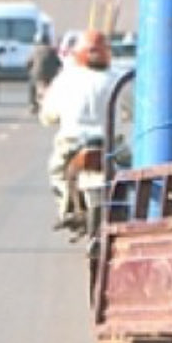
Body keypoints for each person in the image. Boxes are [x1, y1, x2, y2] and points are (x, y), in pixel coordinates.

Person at [39, 28, 119, 226]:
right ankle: (124, 207)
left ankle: (65, 208)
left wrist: (51, 117)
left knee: (56, 172)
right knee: (130, 171)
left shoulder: (66, 80)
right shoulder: (116, 79)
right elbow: (135, 107)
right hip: (110, 145)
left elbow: (48, 114)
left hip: (72, 144)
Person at [28, 29, 62, 113]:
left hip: (37, 75)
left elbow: (28, 62)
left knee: (32, 86)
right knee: (54, 88)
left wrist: (29, 69)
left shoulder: (35, 50)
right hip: (51, 75)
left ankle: (33, 104)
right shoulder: (52, 50)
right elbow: (59, 63)